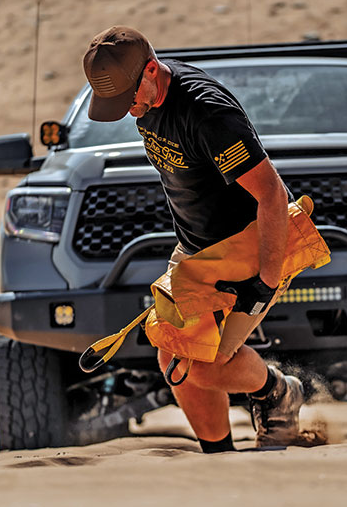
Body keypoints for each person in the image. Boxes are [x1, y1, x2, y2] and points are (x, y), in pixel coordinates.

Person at [83, 25, 304, 453]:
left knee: (202, 366)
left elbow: (273, 196)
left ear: (151, 70)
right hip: (196, 250)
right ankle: (219, 458)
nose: (130, 112)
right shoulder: (144, 94)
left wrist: (265, 283)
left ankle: (278, 392)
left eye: (129, 99)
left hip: (247, 246)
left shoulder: (208, 114)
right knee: (173, 359)